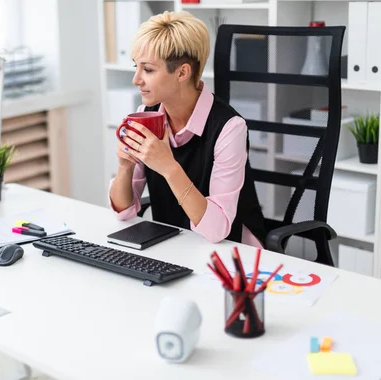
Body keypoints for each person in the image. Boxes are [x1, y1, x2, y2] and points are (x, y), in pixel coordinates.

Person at [108, 11, 266, 248]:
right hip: (177, 245)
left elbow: (218, 229)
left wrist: (168, 166)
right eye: (136, 67)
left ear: (182, 72)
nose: (136, 79)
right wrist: (124, 167)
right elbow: (124, 212)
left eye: (148, 70)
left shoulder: (229, 128)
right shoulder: (148, 113)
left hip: (231, 254)